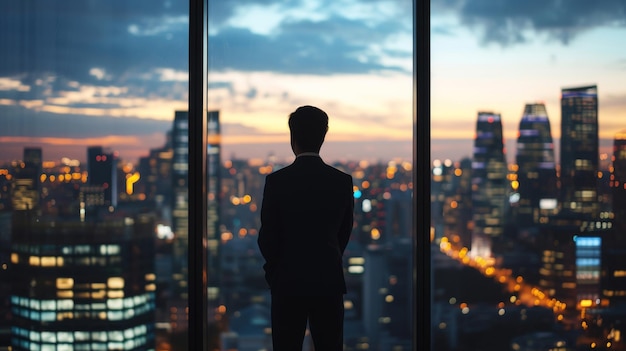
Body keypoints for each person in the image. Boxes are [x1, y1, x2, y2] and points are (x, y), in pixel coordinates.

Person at [257, 105, 354, 351]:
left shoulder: (276, 182)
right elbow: (343, 233)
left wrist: (275, 274)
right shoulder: (341, 182)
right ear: (323, 137)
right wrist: (328, 258)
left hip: (287, 282)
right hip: (327, 280)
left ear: (293, 137)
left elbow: (268, 237)